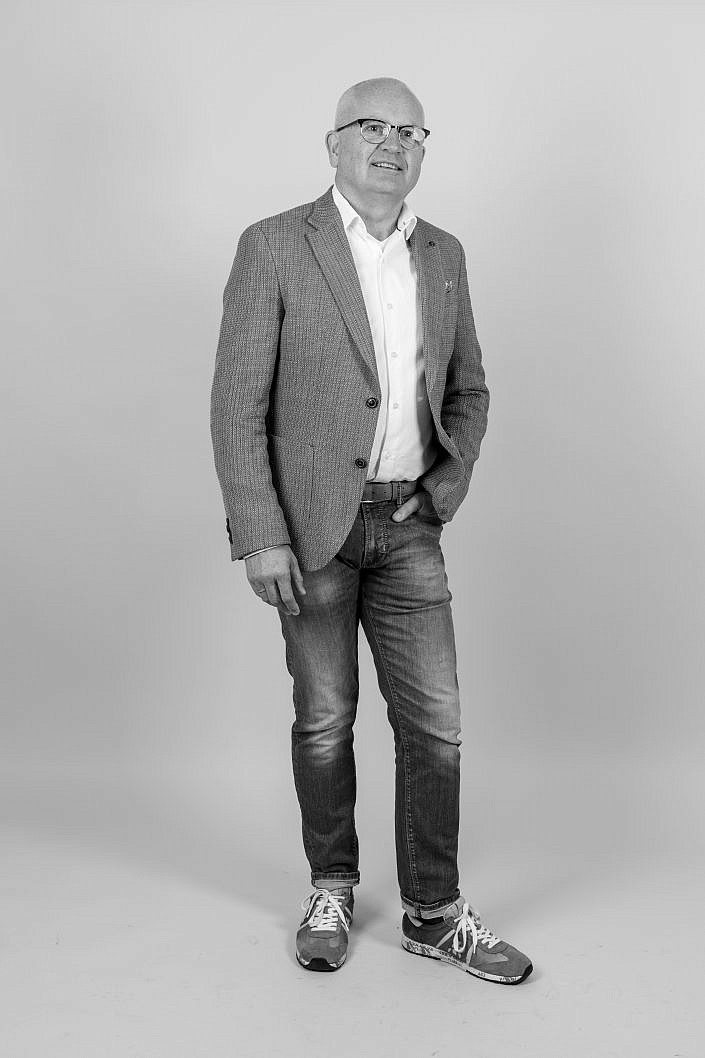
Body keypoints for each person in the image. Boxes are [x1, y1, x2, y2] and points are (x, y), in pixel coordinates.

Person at [210, 76, 533, 983]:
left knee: (436, 726)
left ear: (422, 150)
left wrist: (443, 487)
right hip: (308, 527)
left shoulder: (443, 253)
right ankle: (331, 888)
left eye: (410, 132)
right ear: (334, 143)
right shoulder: (275, 244)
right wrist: (260, 533)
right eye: (371, 126)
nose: (391, 144)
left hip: (408, 523)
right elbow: (236, 405)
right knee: (324, 720)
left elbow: (468, 388)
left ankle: (433, 913)